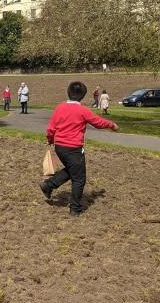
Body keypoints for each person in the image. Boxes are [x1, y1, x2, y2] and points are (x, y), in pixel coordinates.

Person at [39, 81, 119, 217]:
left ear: (68, 93)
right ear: (82, 96)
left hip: (60, 147)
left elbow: (51, 128)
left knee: (72, 171)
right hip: (73, 149)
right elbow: (98, 122)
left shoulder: (60, 108)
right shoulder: (82, 110)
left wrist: (50, 140)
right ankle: (75, 208)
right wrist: (111, 125)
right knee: (79, 178)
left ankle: (49, 185)